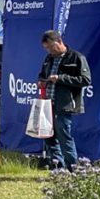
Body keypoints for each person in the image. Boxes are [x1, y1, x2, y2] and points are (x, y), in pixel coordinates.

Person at [38, 30, 92, 171]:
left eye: (50, 47)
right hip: (48, 103)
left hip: (65, 104)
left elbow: (85, 80)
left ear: (59, 42)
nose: (49, 50)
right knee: (49, 136)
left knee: (64, 135)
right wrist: (41, 81)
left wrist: (61, 78)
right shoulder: (49, 59)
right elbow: (42, 74)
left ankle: (72, 168)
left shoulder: (76, 57)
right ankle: (58, 167)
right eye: (46, 48)